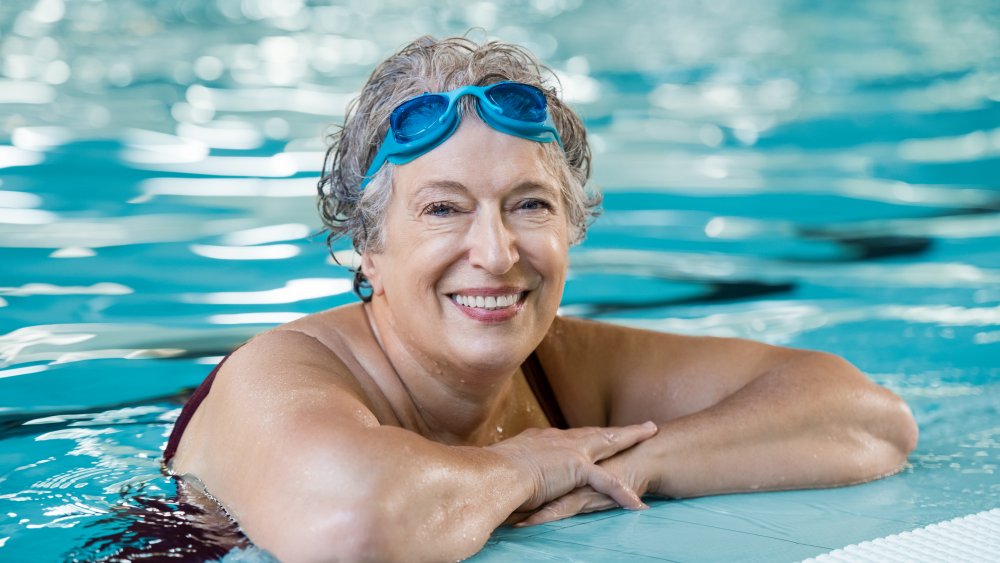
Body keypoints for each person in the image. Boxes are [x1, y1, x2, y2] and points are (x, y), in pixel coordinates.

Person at [163, 35, 918, 562]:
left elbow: (870, 419)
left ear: (572, 230)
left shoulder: (559, 366)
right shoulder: (282, 374)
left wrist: (639, 461)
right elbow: (356, 525)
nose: (496, 253)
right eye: (443, 209)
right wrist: (531, 464)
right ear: (368, 247)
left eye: (529, 205)